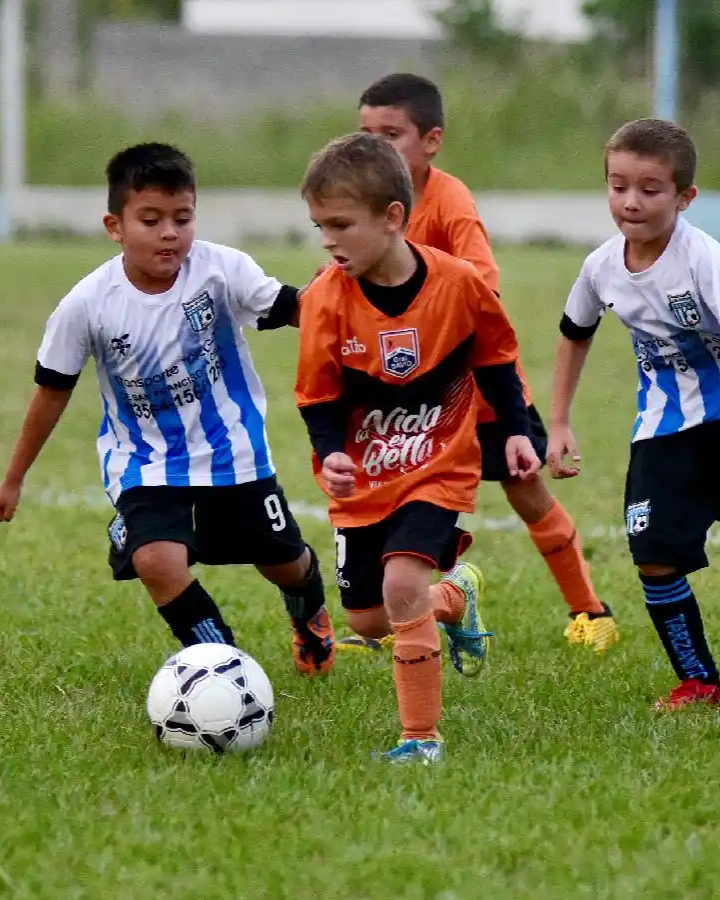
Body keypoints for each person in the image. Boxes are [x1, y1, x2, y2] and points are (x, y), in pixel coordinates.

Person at [0, 142, 335, 676]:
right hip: (146, 461)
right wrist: (14, 478)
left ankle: (309, 610)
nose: (170, 232)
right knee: (156, 559)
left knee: (283, 562)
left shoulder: (219, 270)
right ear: (115, 225)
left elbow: (291, 309)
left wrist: (331, 292)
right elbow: (52, 390)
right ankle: (224, 666)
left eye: (183, 218)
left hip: (232, 451)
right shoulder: (87, 304)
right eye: (151, 220)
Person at [547, 118, 720, 710]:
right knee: (654, 556)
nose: (631, 201)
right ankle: (700, 681)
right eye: (618, 186)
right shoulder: (601, 267)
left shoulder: (712, 264)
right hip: (664, 430)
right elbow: (574, 332)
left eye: (650, 189)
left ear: (684, 196)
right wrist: (560, 421)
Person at [345, 73, 617, 653]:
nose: (374, 147)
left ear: (432, 141)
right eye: (365, 133)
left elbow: (481, 283)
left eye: (391, 134)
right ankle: (405, 610)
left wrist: (413, 305)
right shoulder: (356, 208)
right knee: (399, 496)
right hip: (401, 395)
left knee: (525, 487)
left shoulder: (448, 201)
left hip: (475, 383)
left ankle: (591, 609)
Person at [295, 132, 540, 763]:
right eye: (320, 225)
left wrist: (514, 427)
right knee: (369, 620)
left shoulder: (458, 285)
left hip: (438, 464)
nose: (329, 240)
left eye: (342, 225)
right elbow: (317, 396)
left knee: (402, 583)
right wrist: (334, 453)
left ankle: (420, 739)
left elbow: (497, 361)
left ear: (393, 217)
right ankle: (453, 598)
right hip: (368, 477)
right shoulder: (324, 298)